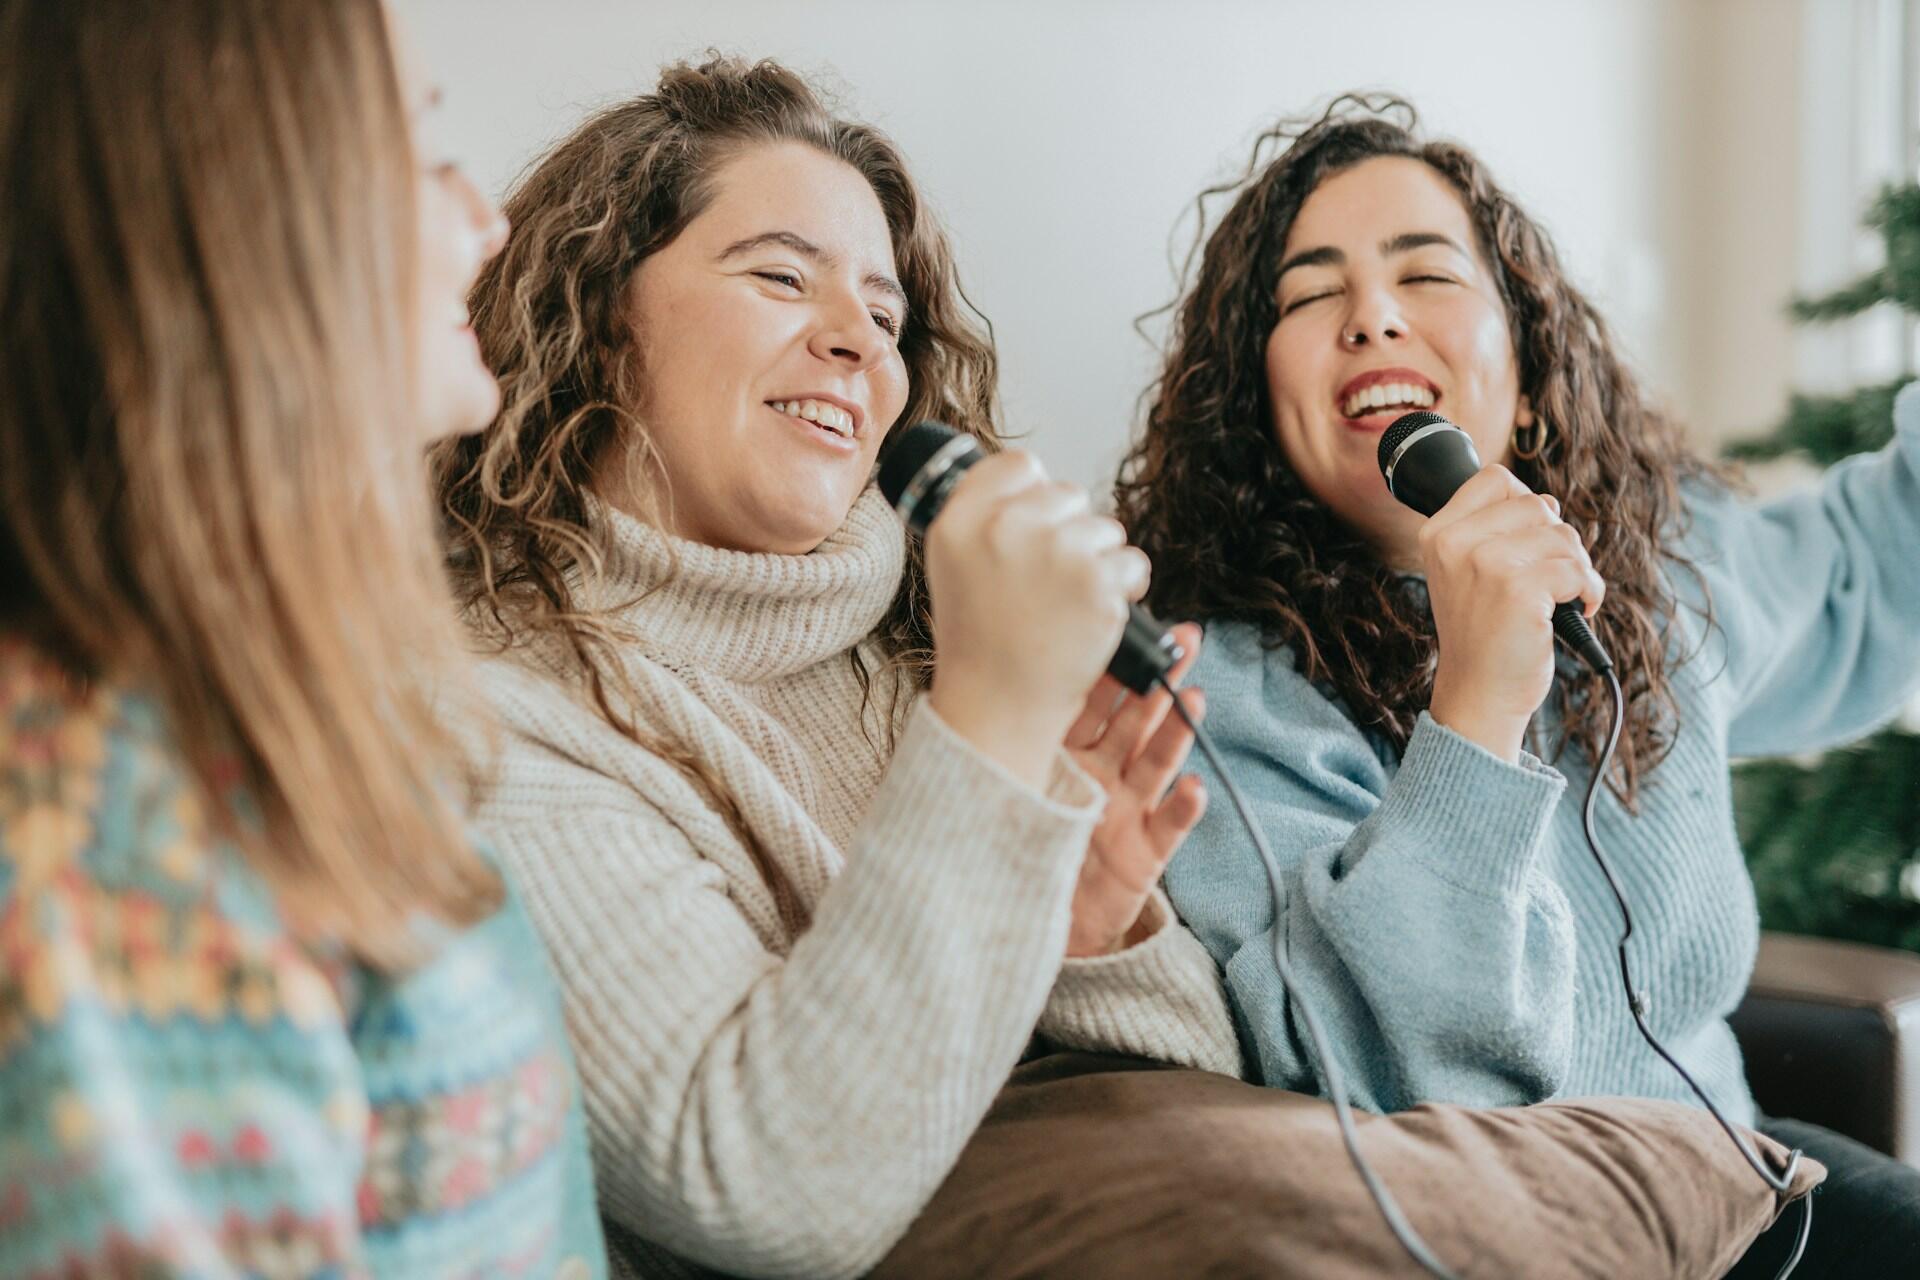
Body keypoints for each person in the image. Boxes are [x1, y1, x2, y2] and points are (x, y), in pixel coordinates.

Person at [430, 54, 1244, 1279]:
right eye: (779, 275)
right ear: (601, 313)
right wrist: (985, 730)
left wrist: (1094, 934)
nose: (856, 341)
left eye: (885, 314)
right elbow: (766, 1188)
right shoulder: (493, 711)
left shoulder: (928, 656)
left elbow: (1205, 1124)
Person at [1115, 94, 1920, 1275]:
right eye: (1309, 291)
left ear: (1532, 372)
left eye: (1425, 273)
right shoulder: (1212, 686)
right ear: (1255, 412)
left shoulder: (1657, 572)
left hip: (1737, 1184)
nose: (1371, 314)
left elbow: (1871, 566)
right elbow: (1389, 1077)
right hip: (1486, 1224)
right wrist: (1476, 709)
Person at [0, 3, 604, 1275]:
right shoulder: (90, 824)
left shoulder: (268, 705)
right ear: (235, 203)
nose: (483, 220)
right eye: (419, 143)